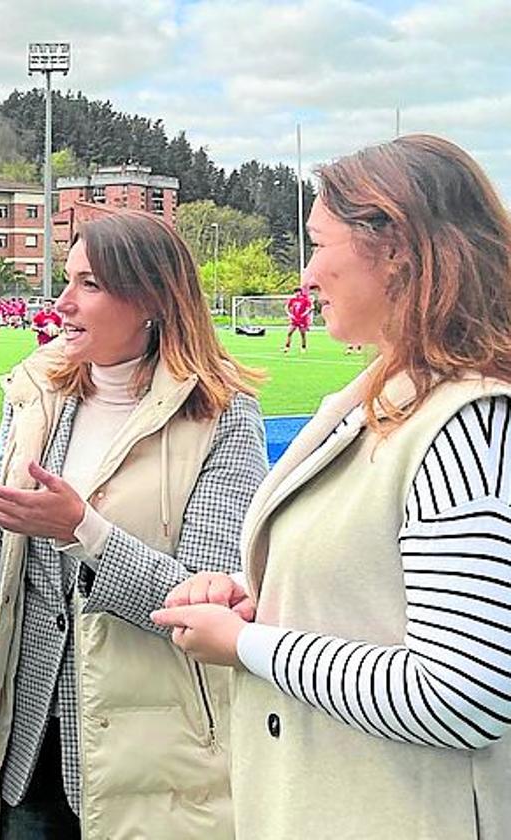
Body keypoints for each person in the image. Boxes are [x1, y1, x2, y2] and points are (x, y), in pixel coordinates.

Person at [152, 135, 511, 839]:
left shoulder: (466, 423)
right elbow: (382, 592)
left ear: (397, 247)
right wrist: (265, 598)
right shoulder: (395, 395)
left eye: (318, 244)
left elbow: (466, 693)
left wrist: (249, 646)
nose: (307, 275)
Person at [0, 209, 267, 838]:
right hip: (25, 752)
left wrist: (85, 529)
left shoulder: (222, 415)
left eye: (89, 285)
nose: (62, 303)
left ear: (150, 300)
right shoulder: (36, 400)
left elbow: (204, 600)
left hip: (152, 762)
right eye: (68, 280)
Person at [283, 285, 313, 353]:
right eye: (296, 292)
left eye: (298, 292)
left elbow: (310, 308)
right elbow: (286, 307)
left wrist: (305, 314)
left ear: (300, 292)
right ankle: (287, 347)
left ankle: (303, 347)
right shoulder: (292, 300)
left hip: (302, 320)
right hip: (294, 320)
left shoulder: (305, 300)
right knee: (289, 333)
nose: (297, 293)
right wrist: (290, 315)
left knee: (302, 334)